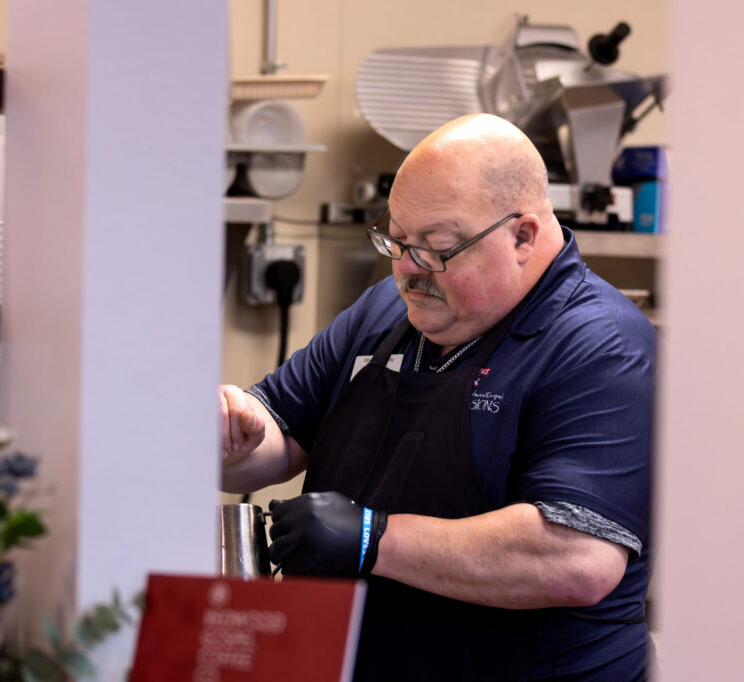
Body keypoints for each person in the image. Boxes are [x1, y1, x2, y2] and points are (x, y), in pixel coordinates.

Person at [219, 113, 655, 681]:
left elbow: (575, 558)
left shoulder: (601, 345)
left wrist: (374, 538)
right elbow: (276, 435)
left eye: (436, 247)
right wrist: (234, 430)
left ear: (522, 236)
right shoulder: (385, 311)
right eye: (395, 239)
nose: (407, 269)